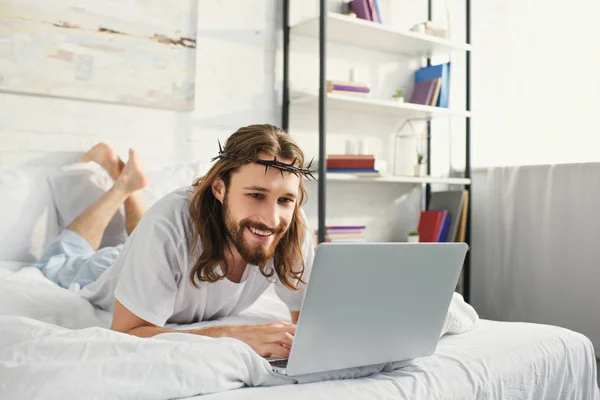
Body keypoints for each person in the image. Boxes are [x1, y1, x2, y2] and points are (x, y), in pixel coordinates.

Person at [36, 124, 316, 358]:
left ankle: (130, 184)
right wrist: (232, 335)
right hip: (101, 269)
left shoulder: (290, 227)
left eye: (285, 200)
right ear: (219, 188)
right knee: (63, 258)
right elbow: (127, 332)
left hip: (156, 257)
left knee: (151, 235)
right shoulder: (167, 223)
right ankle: (123, 184)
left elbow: (310, 322)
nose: (271, 218)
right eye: (256, 195)